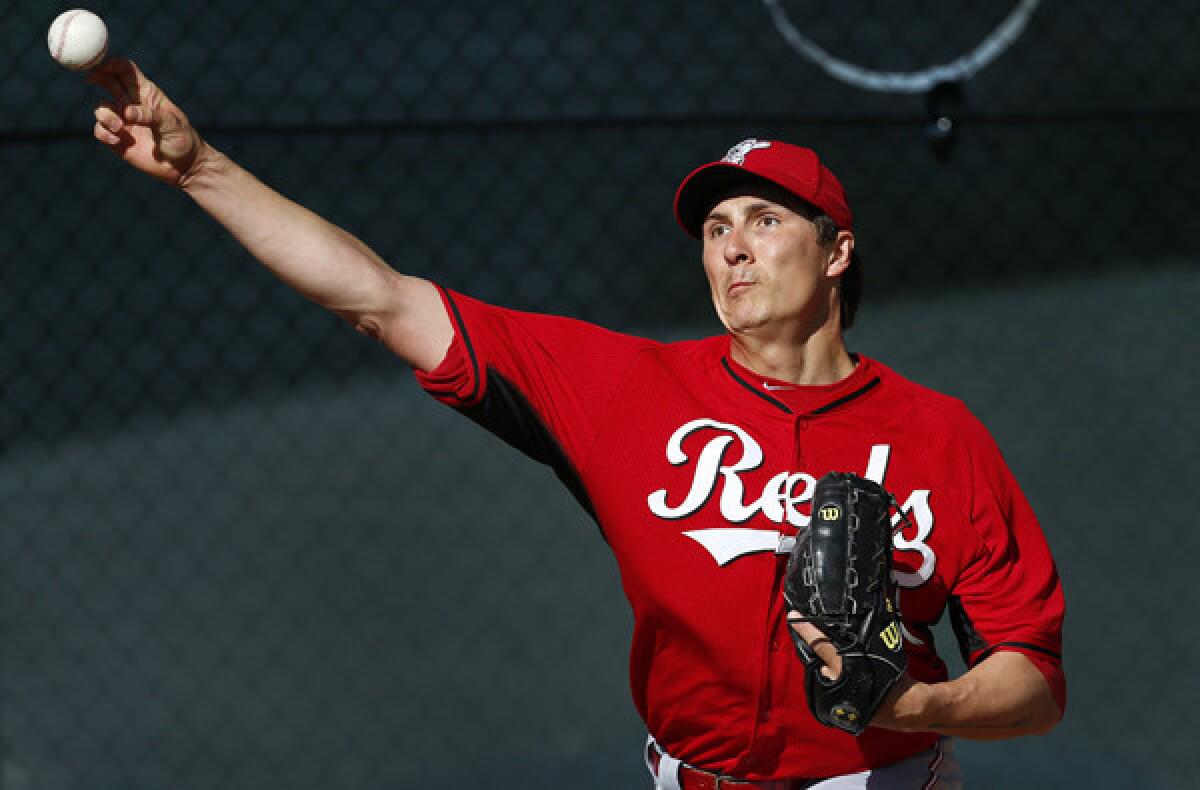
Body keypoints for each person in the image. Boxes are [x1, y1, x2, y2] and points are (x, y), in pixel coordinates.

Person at [88, 58, 1065, 789]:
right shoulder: (623, 387)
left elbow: (1032, 675)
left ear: (837, 250)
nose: (732, 250)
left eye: (764, 221)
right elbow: (381, 299)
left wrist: (921, 703)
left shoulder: (940, 435)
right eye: (715, 230)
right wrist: (201, 167)